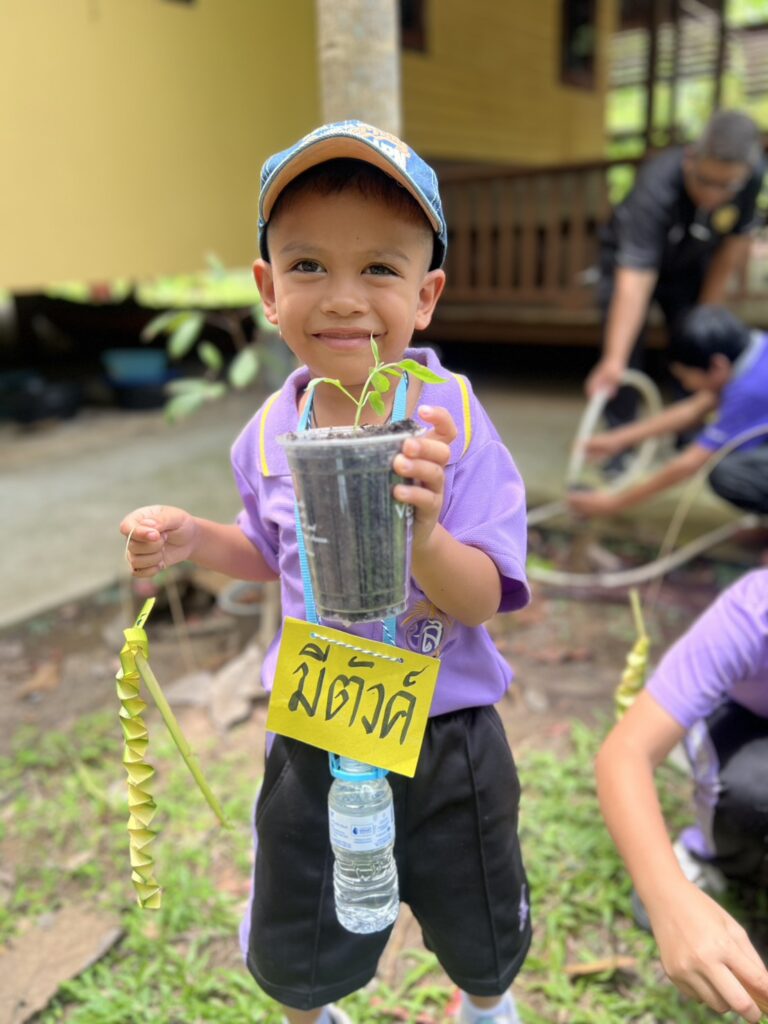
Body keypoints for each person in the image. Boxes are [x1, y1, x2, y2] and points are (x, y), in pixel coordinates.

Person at [120, 121, 532, 1024]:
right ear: (270, 291)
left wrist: (425, 537)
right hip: (317, 726)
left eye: (379, 268)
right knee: (303, 917)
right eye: (308, 265)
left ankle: (485, 1003)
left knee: (477, 902)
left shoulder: (452, 421)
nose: (344, 298)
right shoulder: (270, 431)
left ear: (425, 295)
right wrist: (194, 537)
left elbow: (481, 599)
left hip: (448, 730)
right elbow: (267, 552)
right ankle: (312, 1010)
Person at [595, 569, 768, 1021]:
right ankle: (711, 856)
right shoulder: (753, 612)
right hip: (745, 727)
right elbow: (625, 753)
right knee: (751, 789)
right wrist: (668, 897)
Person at [586, 109, 765, 428]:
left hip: (691, 262)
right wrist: (614, 360)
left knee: (694, 341)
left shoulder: (751, 178)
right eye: (705, 181)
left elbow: (732, 248)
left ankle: (688, 427)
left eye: (726, 186)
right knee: (623, 349)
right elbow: (635, 280)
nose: (713, 195)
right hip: (631, 263)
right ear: (690, 158)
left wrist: (704, 320)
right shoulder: (656, 183)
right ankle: (620, 428)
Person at [568, 305, 768, 520]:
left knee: (729, 473)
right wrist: (618, 439)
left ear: (717, 365)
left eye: (685, 376)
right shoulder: (754, 348)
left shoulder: (752, 390)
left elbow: (691, 462)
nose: (687, 385)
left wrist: (612, 504)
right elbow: (695, 408)